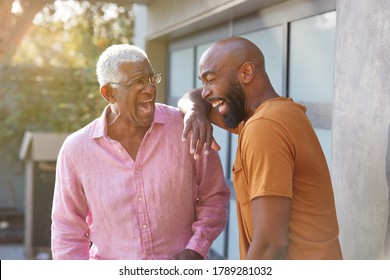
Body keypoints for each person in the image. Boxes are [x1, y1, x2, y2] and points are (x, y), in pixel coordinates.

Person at [51, 44, 230, 260]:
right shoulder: (76, 150)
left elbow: (214, 195)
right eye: (137, 82)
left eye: (151, 79)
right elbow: (67, 230)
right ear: (109, 93)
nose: (150, 89)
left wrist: (197, 248)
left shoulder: (186, 127)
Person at [178, 37, 343, 260]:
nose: (206, 91)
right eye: (204, 82)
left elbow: (270, 244)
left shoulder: (264, 127)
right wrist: (195, 111)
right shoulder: (278, 113)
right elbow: (193, 97)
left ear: (246, 73)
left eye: (211, 79)